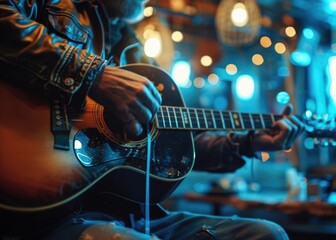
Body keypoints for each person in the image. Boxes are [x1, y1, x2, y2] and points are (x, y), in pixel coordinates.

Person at [0, 0, 305, 239]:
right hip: (52, 215)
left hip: (129, 214)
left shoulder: (135, 51)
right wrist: (93, 75)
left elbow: (173, 148)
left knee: (266, 234)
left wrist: (248, 142)